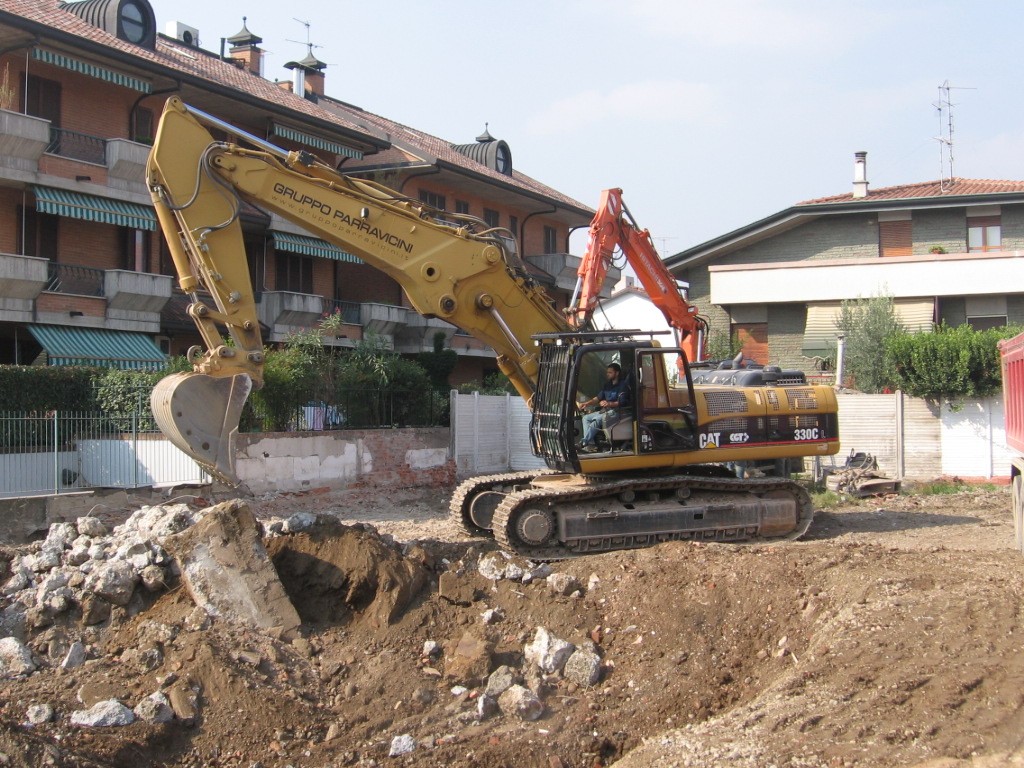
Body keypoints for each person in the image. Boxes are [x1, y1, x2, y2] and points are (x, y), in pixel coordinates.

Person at [577, 362, 630, 452]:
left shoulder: (623, 386)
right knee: (586, 418)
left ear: (617, 373)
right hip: (605, 410)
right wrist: (586, 404)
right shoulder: (607, 385)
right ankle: (591, 444)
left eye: (610, 372)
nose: (607, 374)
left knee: (596, 420)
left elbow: (622, 402)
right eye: (607, 372)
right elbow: (597, 398)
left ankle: (584, 442)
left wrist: (609, 404)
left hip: (617, 411)